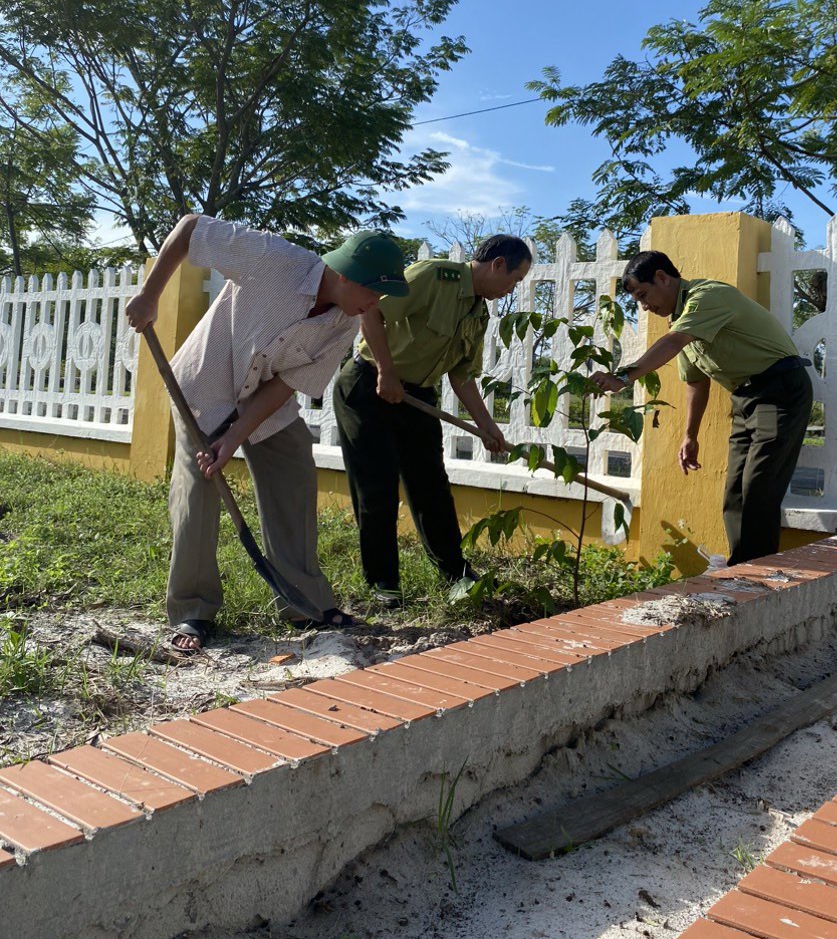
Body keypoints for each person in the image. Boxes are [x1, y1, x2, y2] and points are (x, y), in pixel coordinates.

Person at [125, 215, 409, 651]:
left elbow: (284, 385)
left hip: (262, 401)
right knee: (200, 487)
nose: (375, 303)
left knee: (294, 474)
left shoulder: (345, 324)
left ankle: (305, 604)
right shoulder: (273, 258)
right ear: (345, 275)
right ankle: (192, 610)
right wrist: (149, 295)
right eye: (372, 291)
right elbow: (190, 228)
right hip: (204, 387)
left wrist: (235, 436)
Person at [333, 234, 533, 606]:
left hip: (417, 398)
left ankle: (456, 574)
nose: (512, 289)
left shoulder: (478, 314)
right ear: (498, 265)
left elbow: (462, 376)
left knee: (432, 487)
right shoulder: (434, 276)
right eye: (514, 280)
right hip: (369, 385)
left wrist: (487, 427)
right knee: (377, 486)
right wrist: (386, 372)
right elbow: (372, 312)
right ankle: (383, 584)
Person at [590, 251, 812, 567]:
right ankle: (742, 566)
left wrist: (623, 377)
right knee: (735, 493)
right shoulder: (681, 323)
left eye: (643, 294)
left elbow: (672, 342)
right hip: (744, 398)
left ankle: (752, 574)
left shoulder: (706, 296)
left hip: (779, 389)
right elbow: (696, 382)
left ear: (662, 278)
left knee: (759, 487)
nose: (644, 306)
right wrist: (690, 436)